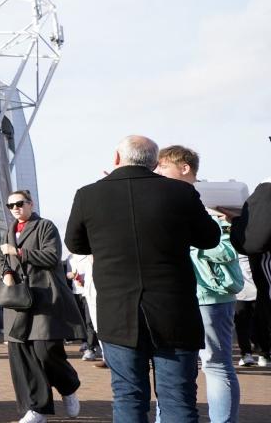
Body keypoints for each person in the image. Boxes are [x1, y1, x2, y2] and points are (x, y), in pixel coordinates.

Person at [65, 135, 220, 422]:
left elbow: (76, 244)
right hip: (174, 312)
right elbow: (210, 238)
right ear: (155, 163)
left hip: (118, 314)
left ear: (115, 158)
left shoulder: (87, 195)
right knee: (178, 399)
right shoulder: (180, 193)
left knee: (128, 396)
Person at [155, 145, 243, 423]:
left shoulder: (213, 204)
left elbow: (228, 250)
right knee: (172, 366)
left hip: (209, 295)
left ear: (184, 168)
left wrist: (192, 242)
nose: (157, 172)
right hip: (175, 295)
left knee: (214, 364)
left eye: (163, 167)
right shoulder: (162, 201)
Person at [0, 190, 84, 423]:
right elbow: (0, 258)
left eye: (19, 203)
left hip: (44, 298)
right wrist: (5, 273)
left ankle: (68, 387)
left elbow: (52, 256)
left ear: (30, 204)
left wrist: (20, 253)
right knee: (21, 355)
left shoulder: (45, 226)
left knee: (46, 351)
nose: (15, 208)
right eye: (10, 205)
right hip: (18, 302)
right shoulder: (9, 232)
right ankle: (37, 410)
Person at [234, 253, 270, 366]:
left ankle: (263, 354)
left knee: (262, 323)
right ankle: (246, 354)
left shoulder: (261, 246)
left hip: (261, 291)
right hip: (241, 291)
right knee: (242, 325)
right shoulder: (232, 244)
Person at [66, 254, 99, 361]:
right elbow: (68, 273)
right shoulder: (70, 258)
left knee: (90, 321)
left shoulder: (89, 256)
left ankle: (91, 348)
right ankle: (86, 343)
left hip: (88, 292)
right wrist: (71, 275)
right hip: (76, 291)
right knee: (82, 320)